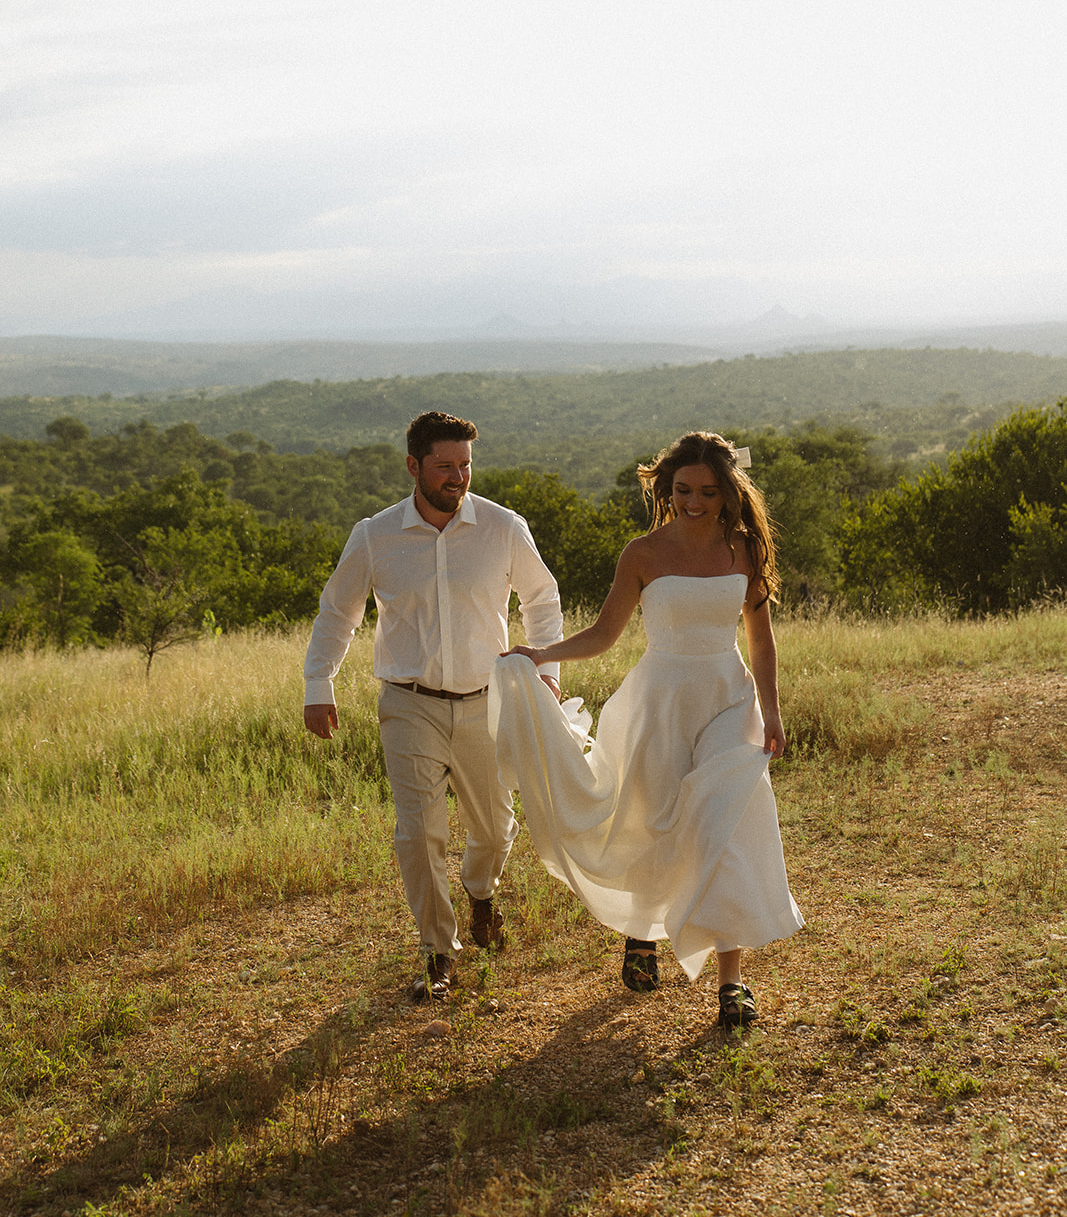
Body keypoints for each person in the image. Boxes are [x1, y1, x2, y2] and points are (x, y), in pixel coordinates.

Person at [492, 431, 803, 1028]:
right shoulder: (642, 554)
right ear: (666, 489)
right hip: (658, 702)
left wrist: (772, 710)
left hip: (728, 701)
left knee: (725, 830)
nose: (695, 501)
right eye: (684, 490)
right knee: (653, 820)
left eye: (709, 491)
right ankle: (641, 932)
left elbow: (761, 643)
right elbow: (605, 634)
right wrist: (540, 654)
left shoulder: (744, 551)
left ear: (726, 492)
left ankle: (730, 982)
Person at [303, 411, 563, 1003]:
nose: (458, 476)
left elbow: (542, 596)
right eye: (445, 465)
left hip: (486, 701)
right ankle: (437, 950)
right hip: (409, 703)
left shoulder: (503, 527)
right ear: (414, 466)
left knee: (495, 831)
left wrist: (545, 669)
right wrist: (319, 682)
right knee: (419, 832)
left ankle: (481, 895)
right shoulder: (374, 535)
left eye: (466, 464)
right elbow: (337, 612)